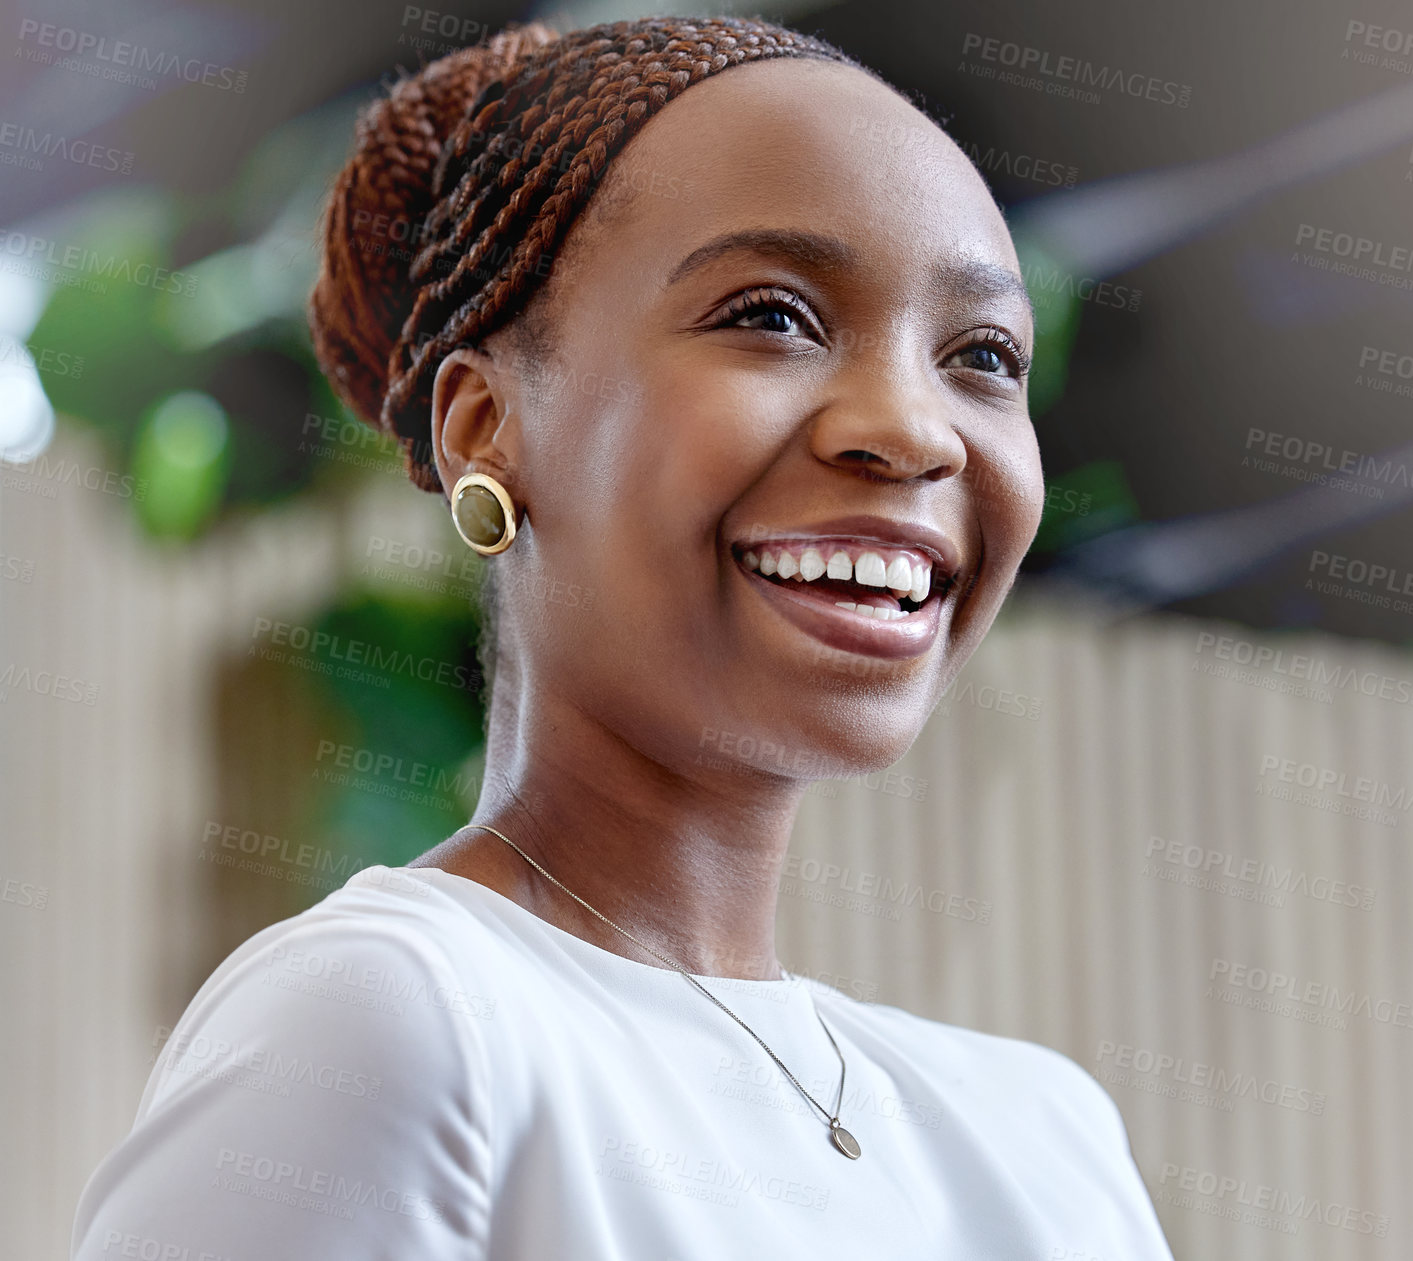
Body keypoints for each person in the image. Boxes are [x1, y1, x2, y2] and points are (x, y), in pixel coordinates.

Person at [70, 16, 1175, 1259]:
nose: (914, 430)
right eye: (772, 315)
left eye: (982, 355)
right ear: (485, 428)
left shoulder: (1045, 1137)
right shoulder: (396, 1020)